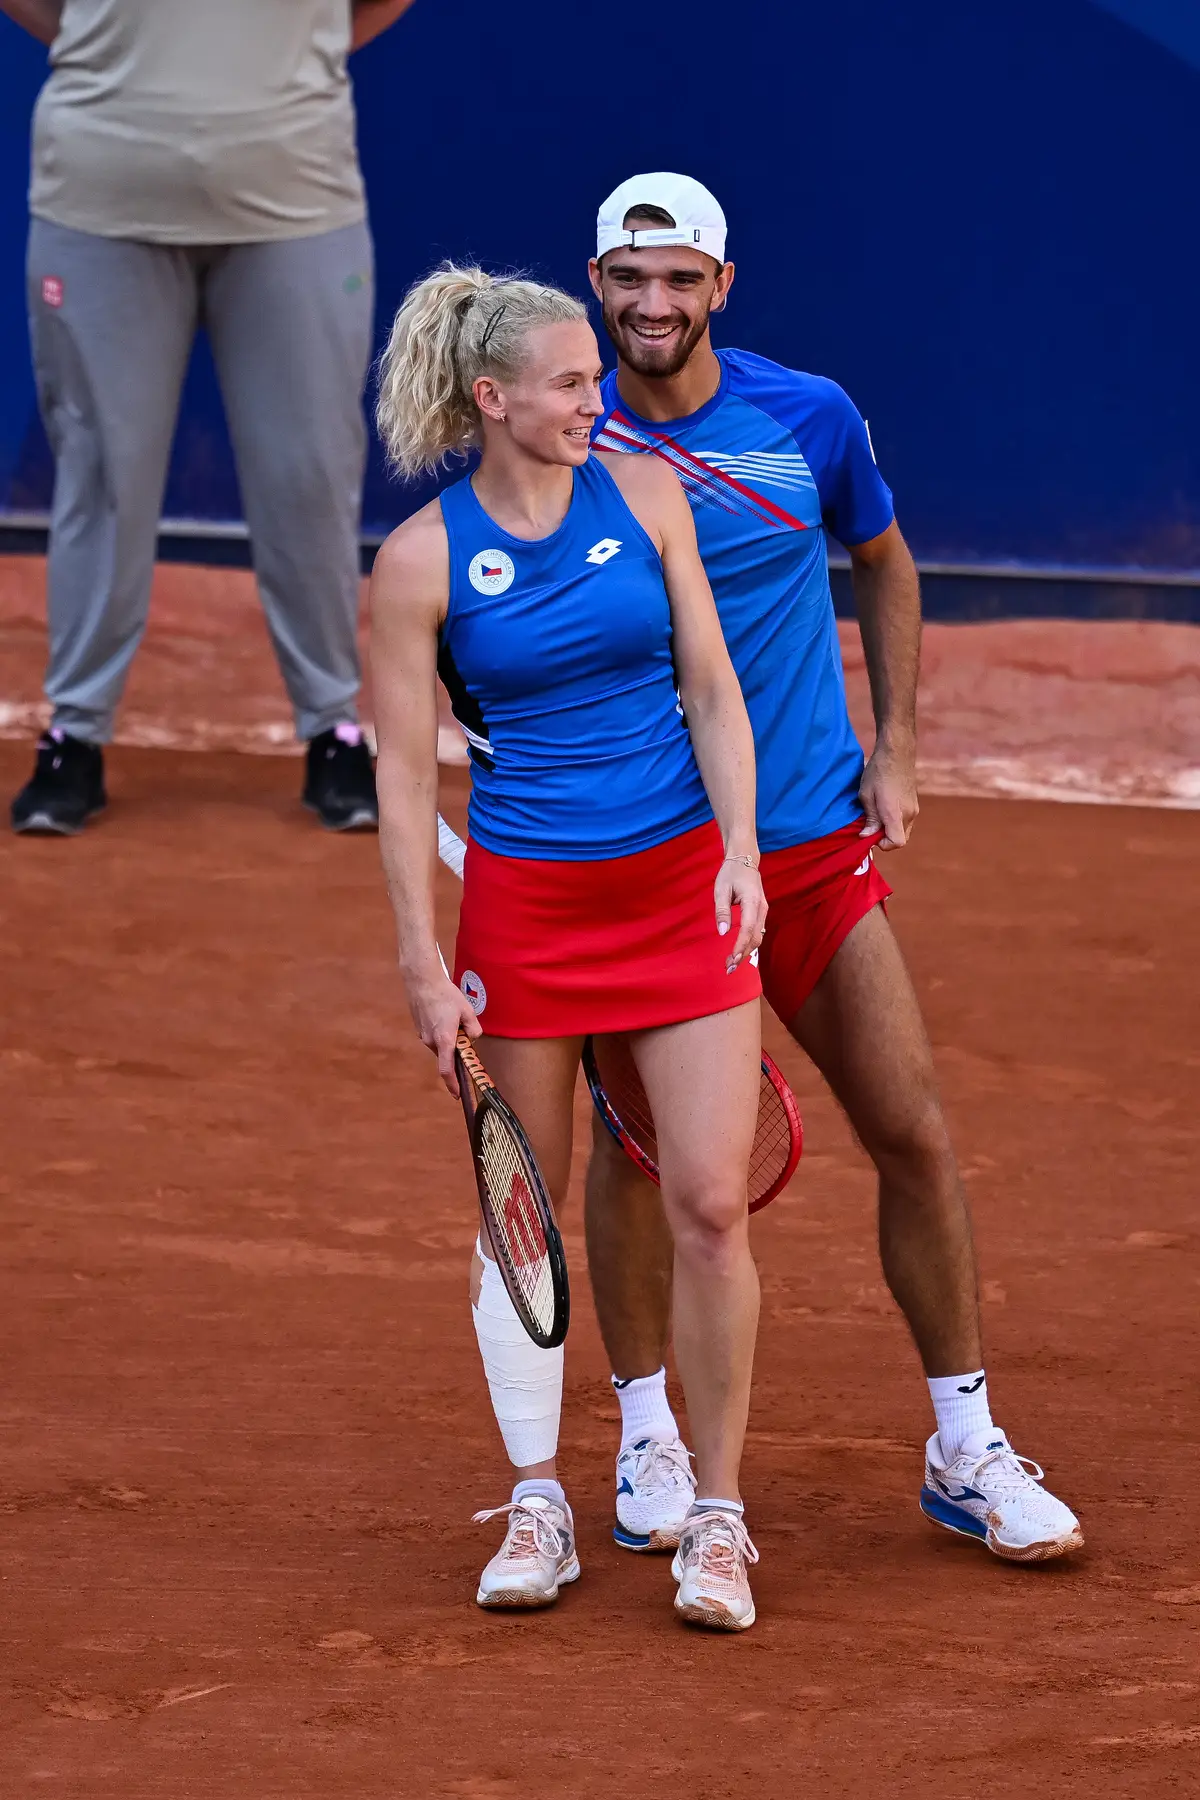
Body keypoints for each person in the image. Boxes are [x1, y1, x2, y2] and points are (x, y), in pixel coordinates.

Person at [584, 172, 1083, 1565]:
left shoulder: (809, 416)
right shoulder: (571, 437)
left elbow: (887, 559)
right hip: (655, 871)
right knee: (642, 1163)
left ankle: (965, 1442)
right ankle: (646, 1431)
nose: (654, 303)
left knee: (914, 1131)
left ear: (721, 287)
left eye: (681, 278)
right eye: (631, 278)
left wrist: (900, 746)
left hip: (810, 848)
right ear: (597, 280)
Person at [369, 263, 770, 1631]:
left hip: (678, 896)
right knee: (519, 1221)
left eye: (595, 380)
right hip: (528, 916)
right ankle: (538, 1497)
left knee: (709, 1204)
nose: (600, 398)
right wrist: (425, 964)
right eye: (571, 384)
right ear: (493, 399)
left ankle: (715, 1517)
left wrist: (740, 850)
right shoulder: (421, 561)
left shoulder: (648, 494)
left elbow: (710, 684)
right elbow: (404, 784)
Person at [3, 0, 418, 835]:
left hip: (295, 196)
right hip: (101, 195)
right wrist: (109, 49)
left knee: (309, 474)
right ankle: (75, 735)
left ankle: (333, 730)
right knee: (102, 474)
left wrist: (286, 69)